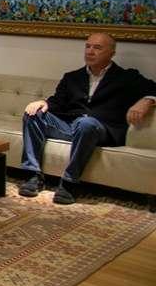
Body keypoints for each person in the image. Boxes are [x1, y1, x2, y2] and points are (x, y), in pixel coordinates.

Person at [18, 32, 156, 205]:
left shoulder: (126, 77)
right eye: (88, 46)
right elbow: (57, 102)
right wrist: (43, 102)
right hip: (70, 126)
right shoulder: (72, 77)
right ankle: (32, 175)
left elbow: (154, 88)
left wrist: (147, 100)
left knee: (86, 123)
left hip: (103, 130)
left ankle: (69, 183)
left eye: (97, 48)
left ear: (111, 53)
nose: (90, 51)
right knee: (33, 114)